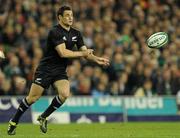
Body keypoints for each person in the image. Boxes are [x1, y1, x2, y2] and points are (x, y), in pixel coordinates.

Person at [7, 5, 109, 135]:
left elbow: (85, 53)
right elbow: (63, 53)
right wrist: (82, 54)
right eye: (67, 15)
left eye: (71, 15)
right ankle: (14, 121)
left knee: (65, 94)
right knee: (33, 98)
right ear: (59, 17)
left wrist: (97, 59)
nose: (70, 18)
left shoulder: (76, 33)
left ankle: (43, 117)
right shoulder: (55, 31)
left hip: (60, 71)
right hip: (45, 69)